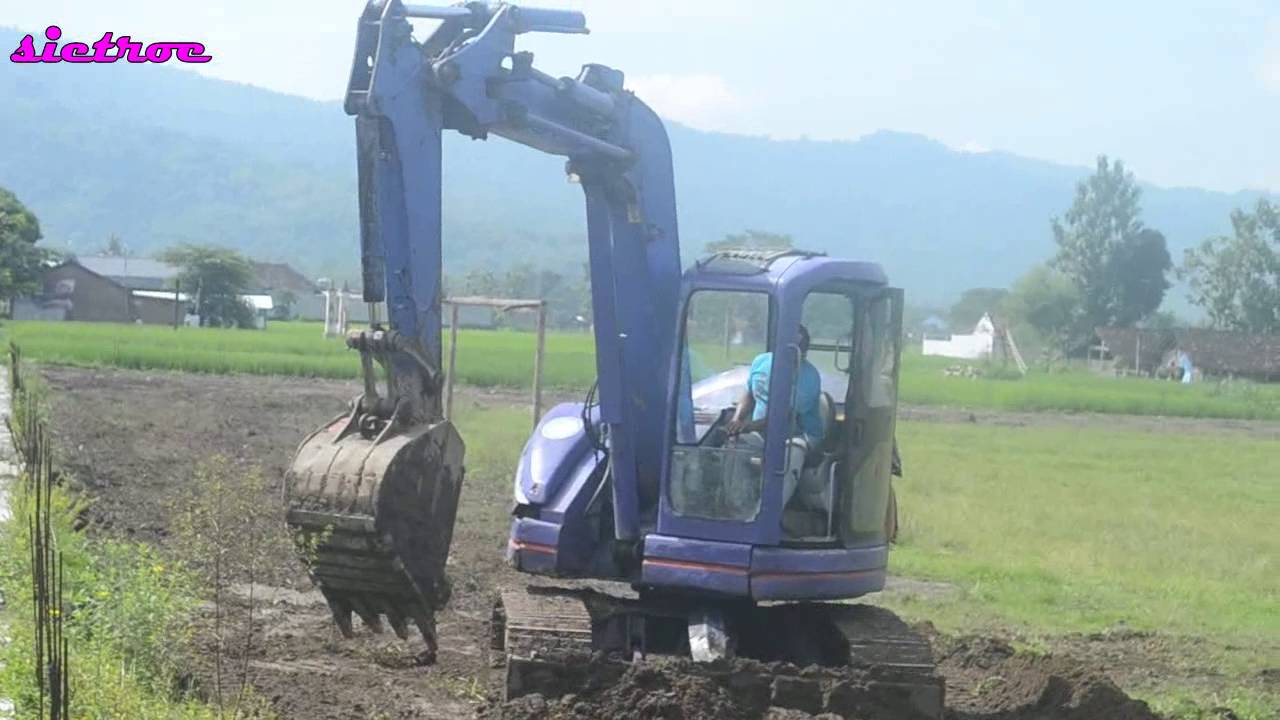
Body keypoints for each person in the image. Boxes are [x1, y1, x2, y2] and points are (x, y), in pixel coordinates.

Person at [726, 325, 826, 509]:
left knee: (794, 453)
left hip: (797, 435)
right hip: (761, 434)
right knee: (732, 444)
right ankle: (737, 506)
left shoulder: (810, 377)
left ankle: (771, 511)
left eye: (800, 349)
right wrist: (737, 420)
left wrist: (748, 426)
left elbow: (784, 416)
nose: (795, 354)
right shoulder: (761, 362)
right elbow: (749, 394)